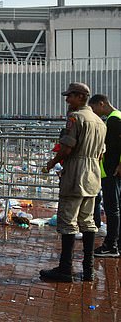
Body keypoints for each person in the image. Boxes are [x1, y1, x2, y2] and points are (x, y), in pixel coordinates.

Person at [40, 82, 106, 282]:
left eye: (70, 96)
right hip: (93, 176)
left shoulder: (75, 118)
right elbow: (102, 153)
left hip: (76, 174)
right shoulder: (99, 121)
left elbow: (67, 148)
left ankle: (65, 268)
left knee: (68, 221)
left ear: (80, 97)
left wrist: (51, 164)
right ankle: (89, 269)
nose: (67, 100)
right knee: (88, 222)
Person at [88, 94, 121, 258]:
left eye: (94, 108)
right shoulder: (116, 117)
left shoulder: (114, 119)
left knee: (112, 208)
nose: (94, 113)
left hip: (112, 170)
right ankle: (116, 242)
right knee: (115, 207)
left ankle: (111, 245)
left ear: (102, 104)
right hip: (111, 169)